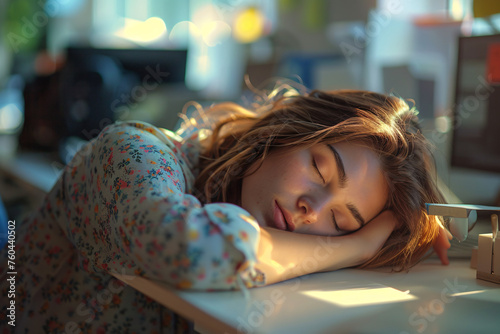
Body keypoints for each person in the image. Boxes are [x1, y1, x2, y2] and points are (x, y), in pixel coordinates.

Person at [0, 83, 451, 333]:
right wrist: (355, 245)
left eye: (340, 220)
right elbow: (194, 249)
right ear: (286, 129)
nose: (311, 211)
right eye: (318, 168)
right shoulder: (132, 153)